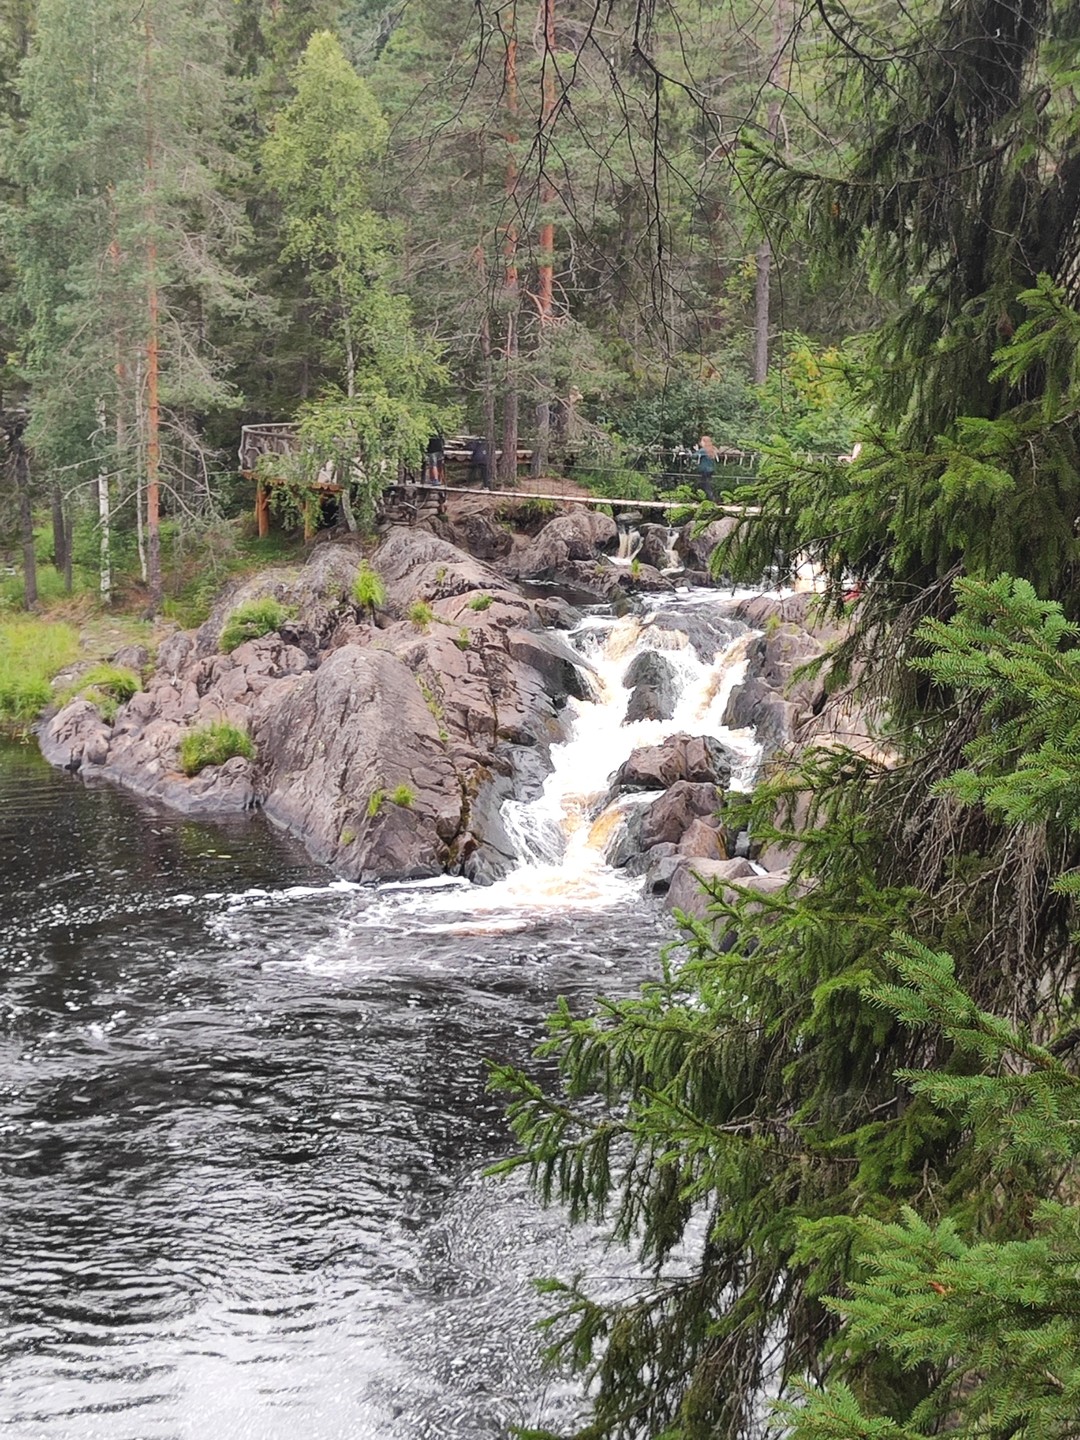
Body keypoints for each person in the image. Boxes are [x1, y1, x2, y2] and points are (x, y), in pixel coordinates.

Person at [695, 434, 719, 499]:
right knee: (706, 484)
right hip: (710, 470)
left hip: (704, 470)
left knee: (705, 485)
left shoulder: (703, 450)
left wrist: (697, 450)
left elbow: (694, 456)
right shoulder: (712, 449)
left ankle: (710, 498)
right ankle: (709, 497)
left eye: (702, 441)